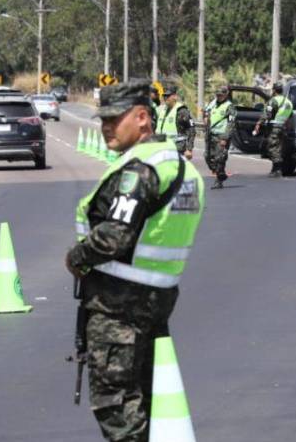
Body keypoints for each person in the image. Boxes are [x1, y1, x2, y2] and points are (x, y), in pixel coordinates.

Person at [65, 80, 205, 442]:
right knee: (143, 396)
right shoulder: (181, 167)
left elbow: (114, 237)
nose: (106, 127)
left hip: (119, 302)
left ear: (142, 118)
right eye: (103, 120)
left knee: (116, 403)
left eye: (114, 119)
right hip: (158, 296)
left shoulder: (140, 169)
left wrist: (76, 257)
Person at [253, 81, 293, 177]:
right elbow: (289, 117)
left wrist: (258, 123)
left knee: (272, 148)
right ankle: (275, 169)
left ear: (274, 90)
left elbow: (267, 114)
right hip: (283, 127)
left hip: (274, 127)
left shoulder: (273, 101)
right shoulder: (288, 102)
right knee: (278, 148)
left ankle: (278, 169)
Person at [203, 85, 236, 189]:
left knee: (219, 158)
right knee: (207, 156)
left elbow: (231, 124)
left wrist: (225, 138)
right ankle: (221, 173)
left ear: (226, 95)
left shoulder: (229, 106)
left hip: (221, 135)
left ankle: (218, 180)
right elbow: (206, 111)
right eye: (217, 95)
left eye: (221, 95)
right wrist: (205, 117)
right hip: (211, 134)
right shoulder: (213, 103)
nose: (219, 97)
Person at [155, 86, 195, 160]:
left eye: (168, 96)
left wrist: (189, 149)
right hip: (163, 148)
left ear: (175, 97)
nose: (166, 98)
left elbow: (191, 129)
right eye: (164, 96)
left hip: (177, 148)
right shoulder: (162, 110)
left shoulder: (181, 111)